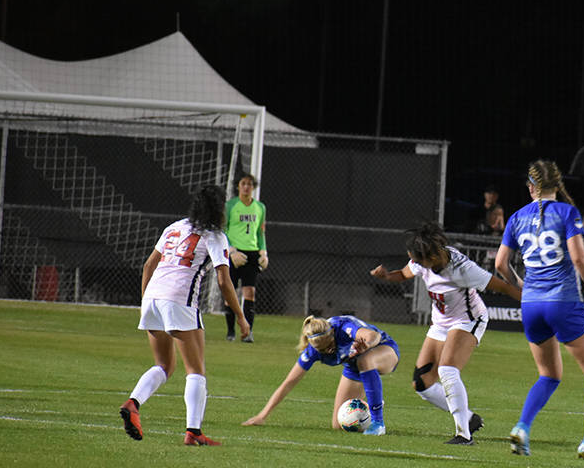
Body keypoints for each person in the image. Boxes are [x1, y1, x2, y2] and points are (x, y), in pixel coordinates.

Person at [494, 159, 584, 461]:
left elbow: (499, 264)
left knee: (548, 375)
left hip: (531, 305)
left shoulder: (517, 217)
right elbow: (578, 258)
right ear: (557, 186)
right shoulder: (567, 212)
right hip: (562, 301)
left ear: (531, 188)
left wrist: (520, 285)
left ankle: (522, 428)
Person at [118, 185, 250, 446]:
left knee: (164, 366)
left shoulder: (174, 227)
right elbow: (224, 281)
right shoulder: (215, 236)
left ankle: (133, 403)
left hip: (153, 296)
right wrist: (240, 316)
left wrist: (146, 302)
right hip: (179, 300)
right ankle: (193, 432)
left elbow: (148, 265)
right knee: (196, 370)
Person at [370, 222, 521, 444]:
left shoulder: (463, 269)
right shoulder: (423, 261)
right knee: (422, 383)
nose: (413, 260)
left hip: (468, 320)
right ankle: (469, 418)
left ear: (428, 257)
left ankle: (463, 434)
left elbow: (504, 287)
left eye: (415, 257)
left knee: (448, 370)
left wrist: (536, 305)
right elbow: (403, 274)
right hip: (441, 324)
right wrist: (386, 276)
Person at [242, 314, 399, 434]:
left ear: (332, 333)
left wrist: (367, 345)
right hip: (354, 367)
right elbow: (288, 382)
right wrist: (262, 415)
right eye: (323, 350)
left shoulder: (343, 326)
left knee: (365, 359)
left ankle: (378, 423)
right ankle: (373, 402)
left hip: (384, 350)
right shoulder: (311, 352)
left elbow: (374, 336)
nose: (329, 351)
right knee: (339, 425)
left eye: (330, 345)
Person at [223, 173, 268, 342]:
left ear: (253, 187)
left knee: (250, 292)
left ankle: (247, 332)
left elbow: (260, 233)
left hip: (251, 253)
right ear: (238, 186)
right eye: (243, 183)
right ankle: (230, 332)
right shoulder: (231, 206)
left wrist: (263, 252)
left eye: (249, 184)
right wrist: (231, 250)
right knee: (231, 292)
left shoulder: (260, 207)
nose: (246, 187)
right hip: (234, 253)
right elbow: (223, 229)